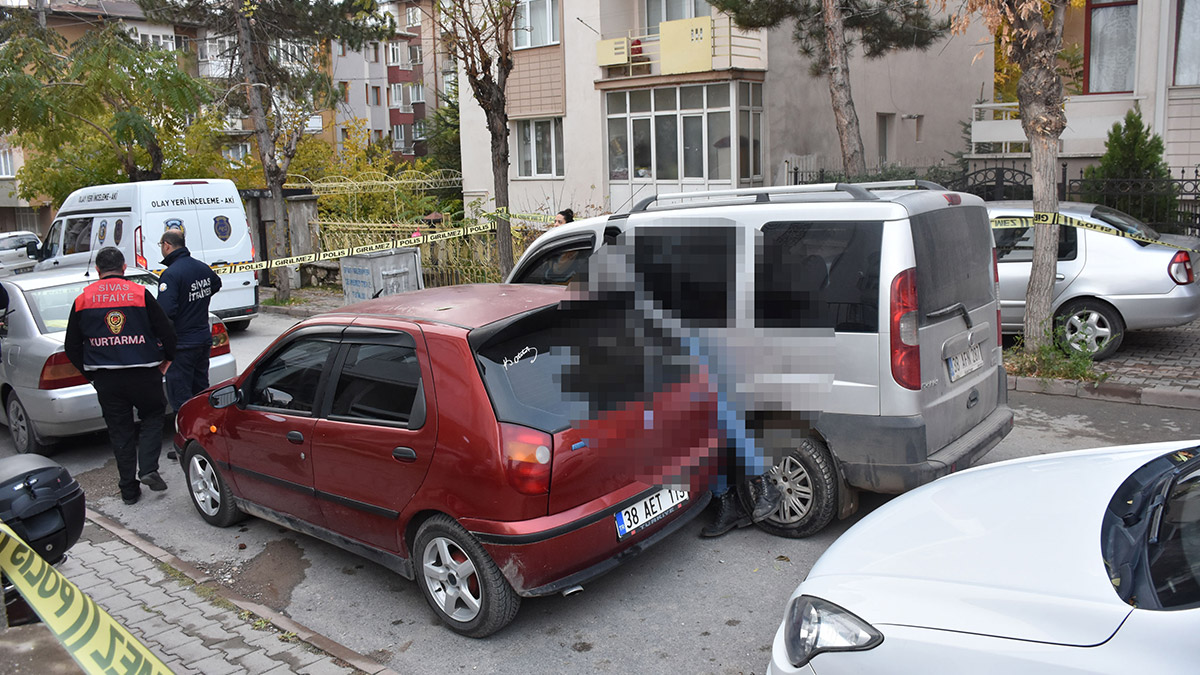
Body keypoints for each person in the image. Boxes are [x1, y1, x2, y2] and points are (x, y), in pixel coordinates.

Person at [65, 247, 176, 506]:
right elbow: (167, 331)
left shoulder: (83, 299)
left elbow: (72, 346)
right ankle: (148, 467)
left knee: (119, 431)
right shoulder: (140, 294)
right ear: (124, 268)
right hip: (144, 373)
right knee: (152, 415)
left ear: (98, 271)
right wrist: (168, 359)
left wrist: (89, 373)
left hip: (106, 379)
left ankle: (128, 490)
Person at [157, 229, 222, 414]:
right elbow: (215, 283)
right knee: (201, 393)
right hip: (202, 339)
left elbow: (165, 311)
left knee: (182, 399)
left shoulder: (171, 274)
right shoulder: (200, 267)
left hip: (182, 345)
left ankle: (187, 436)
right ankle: (204, 432)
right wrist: (196, 300)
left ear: (167, 245)